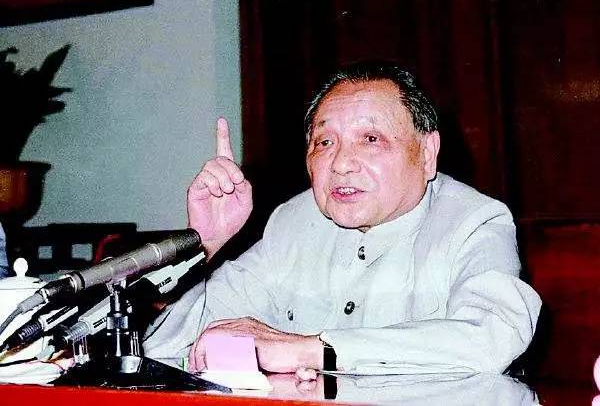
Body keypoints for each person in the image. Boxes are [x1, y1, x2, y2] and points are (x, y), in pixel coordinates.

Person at [143, 62, 541, 376]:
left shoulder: (473, 221)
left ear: (426, 153)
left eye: (370, 139)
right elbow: (161, 350)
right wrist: (205, 246)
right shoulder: (292, 224)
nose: (341, 163)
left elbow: (493, 336)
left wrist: (311, 350)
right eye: (325, 141)